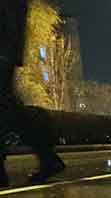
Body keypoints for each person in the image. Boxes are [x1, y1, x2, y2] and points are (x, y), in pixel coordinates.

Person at [1, 0, 66, 188]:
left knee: (7, 107)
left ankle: (48, 157)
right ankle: (47, 157)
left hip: (4, 45)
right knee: (6, 107)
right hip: (7, 45)